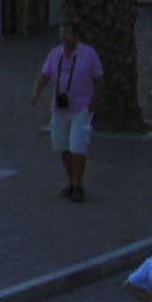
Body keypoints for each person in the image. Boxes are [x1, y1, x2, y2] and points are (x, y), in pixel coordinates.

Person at [30, 21, 103, 202]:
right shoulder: (55, 54)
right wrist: (36, 94)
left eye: (67, 33)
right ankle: (71, 182)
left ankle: (78, 186)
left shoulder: (89, 54)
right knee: (63, 147)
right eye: (61, 34)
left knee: (78, 147)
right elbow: (45, 76)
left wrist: (94, 101)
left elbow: (98, 79)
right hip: (60, 108)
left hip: (81, 109)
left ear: (76, 35)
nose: (64, 37)